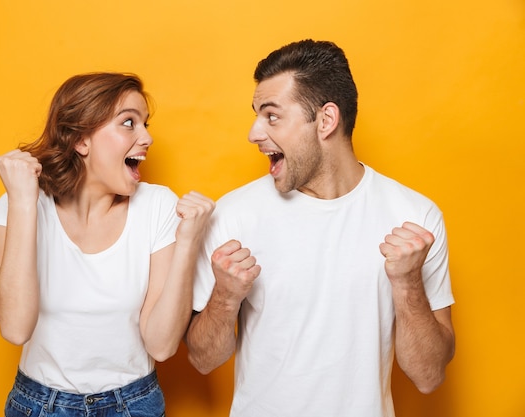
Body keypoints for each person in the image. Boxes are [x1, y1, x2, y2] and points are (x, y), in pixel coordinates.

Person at [185, 40, 455, 416]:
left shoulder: (415, 217)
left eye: (272, 116)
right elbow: (202, 360)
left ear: (326, 121)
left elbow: (428, 375)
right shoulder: (233, 216)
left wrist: (408, 284)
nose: (253, 133)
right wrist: (225, 298)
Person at [0, 72, 214, 417]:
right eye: (129, 123)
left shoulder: (157, 206)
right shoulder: (22, 204)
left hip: (134, 404)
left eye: (145, 124)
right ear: (81, 140)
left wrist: (188, 243)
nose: (147, 137)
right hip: (40, 405)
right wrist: (22, 202)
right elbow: (15, 328)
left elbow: (162, 345)